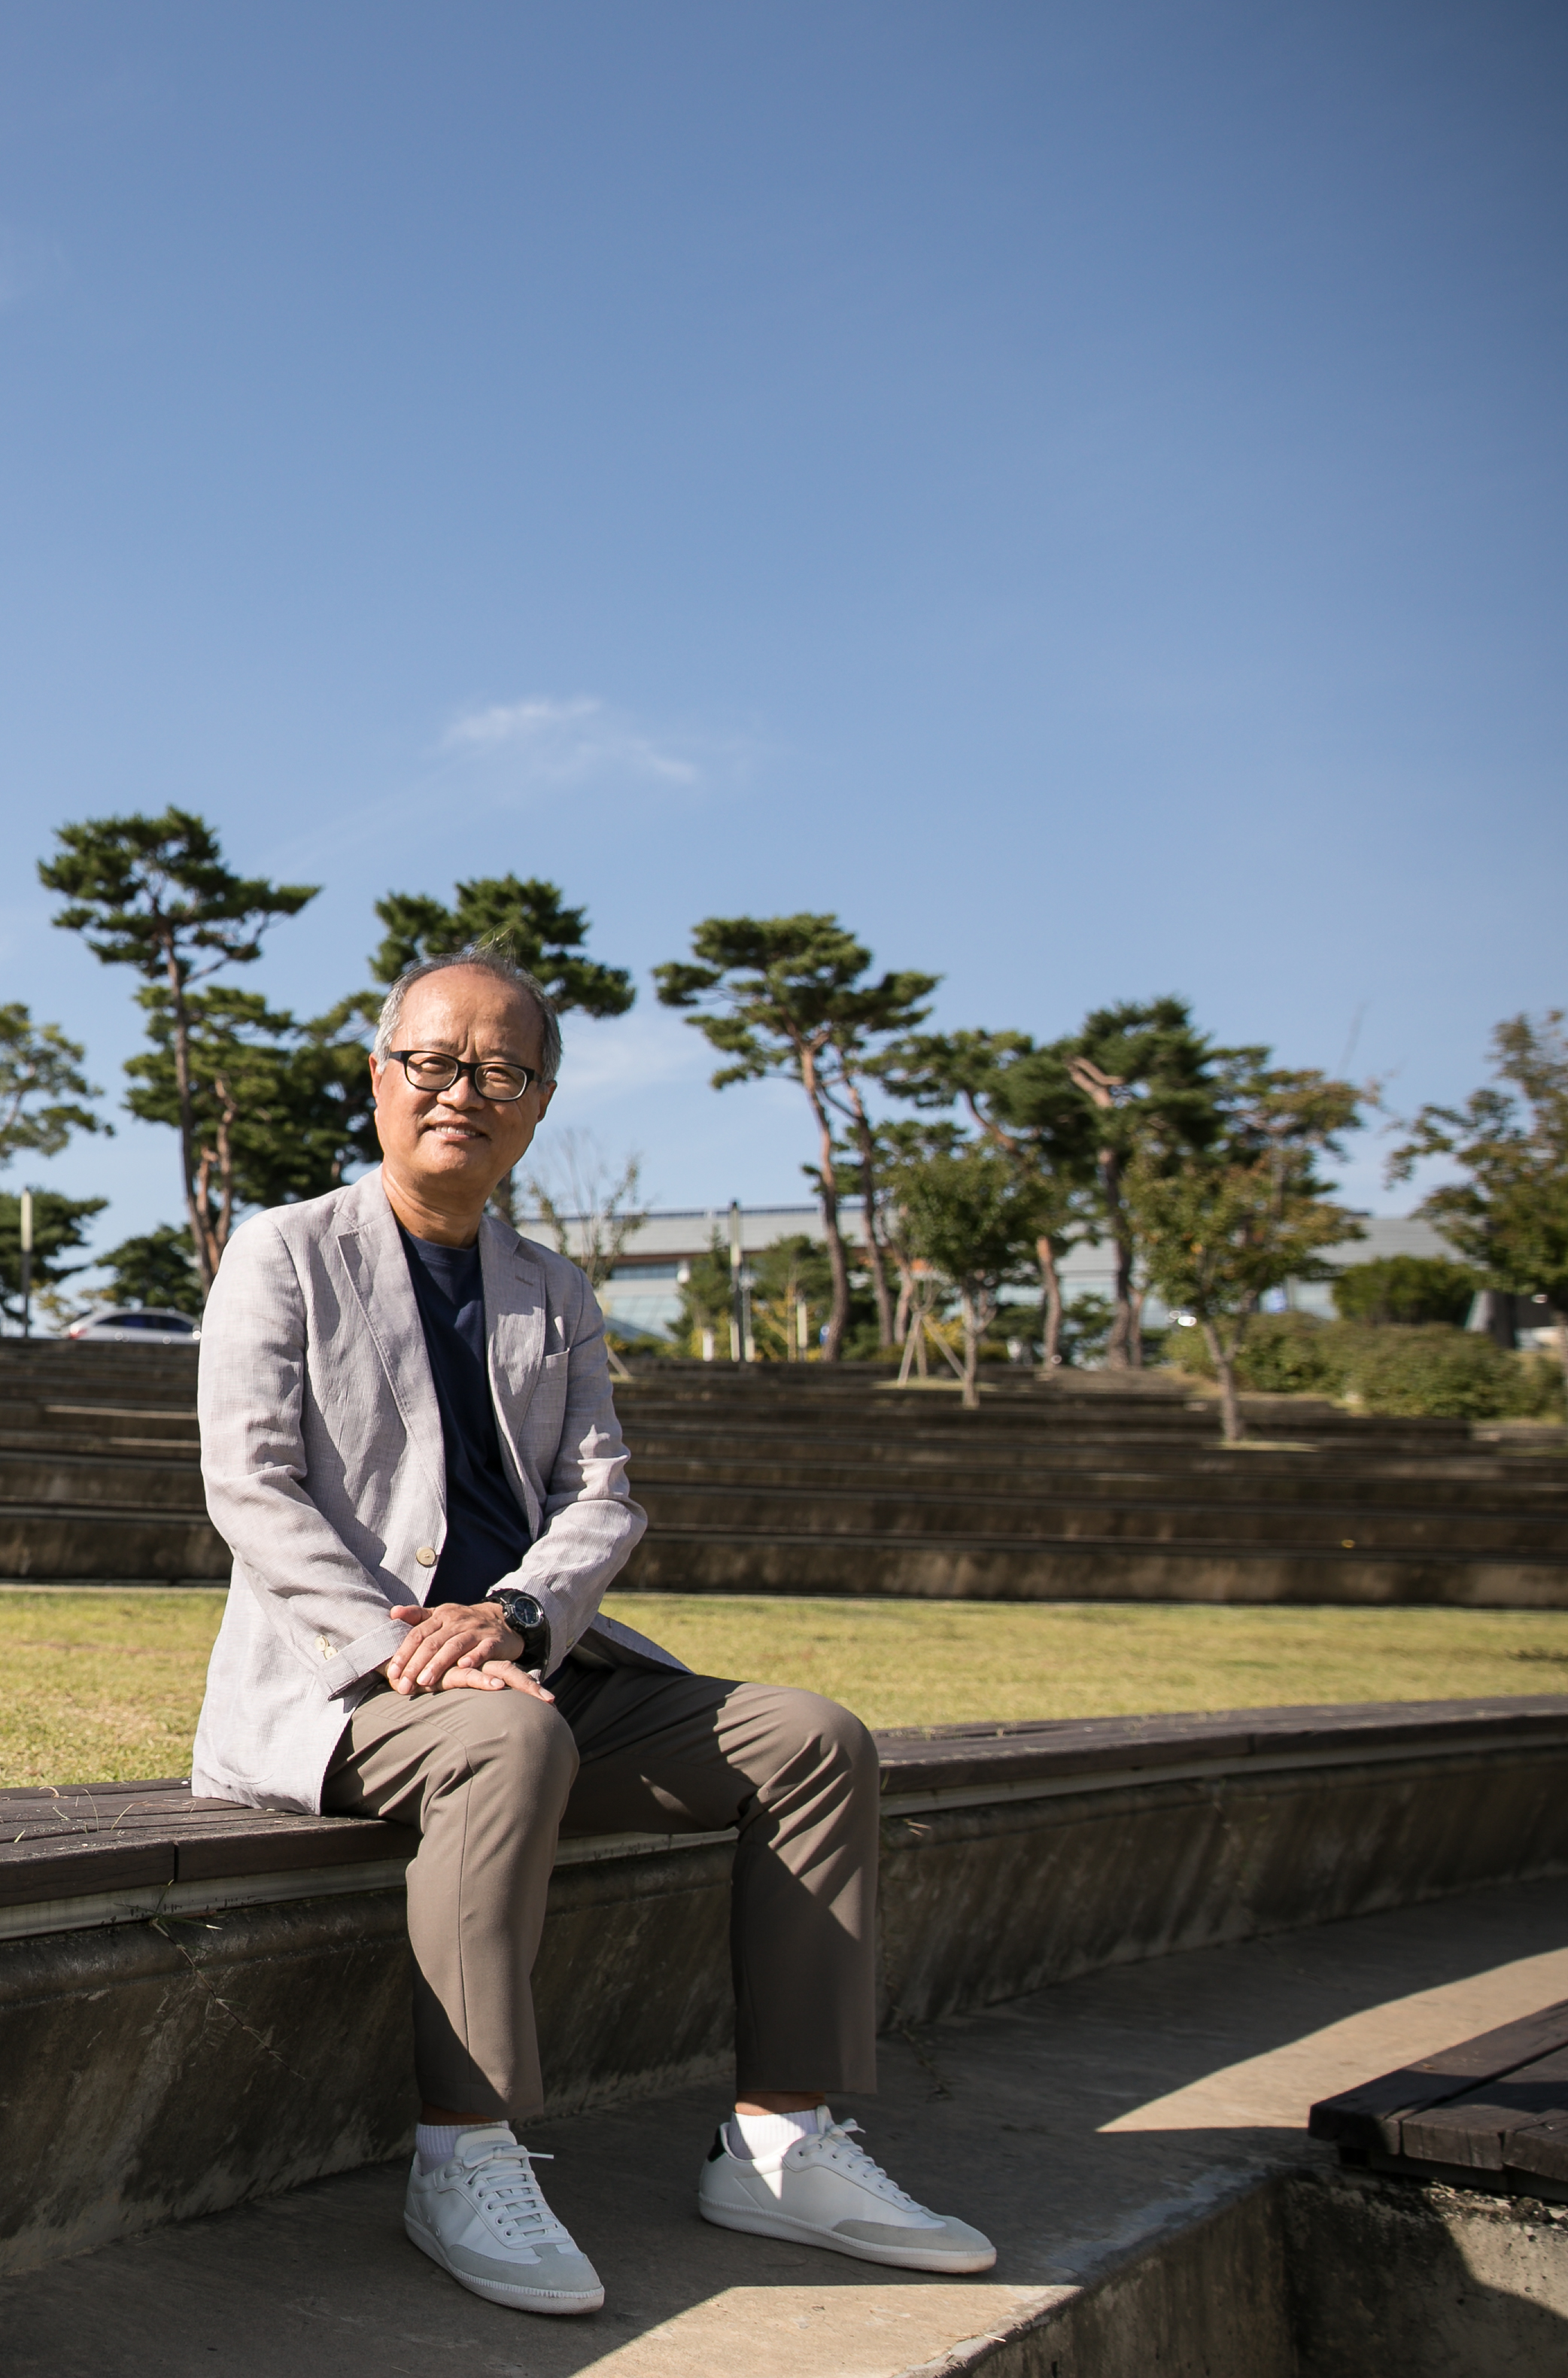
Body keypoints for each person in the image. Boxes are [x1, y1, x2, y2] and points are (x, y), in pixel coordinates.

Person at [190, 947, 995, 2317]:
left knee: (812, 1739)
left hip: (535, 1665)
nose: (463, 1092)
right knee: (501, 1733)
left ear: (539, 1103)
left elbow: (600, 1495)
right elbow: (249, 1486)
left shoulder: (552, 1291)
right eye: (434, 1063)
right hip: (350, 1684)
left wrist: (511, 1617)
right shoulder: (286, 1250)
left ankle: (780, 2143)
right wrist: (414, 1648)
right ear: (382, 1080)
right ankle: (468, 2146)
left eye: (500, 1071)